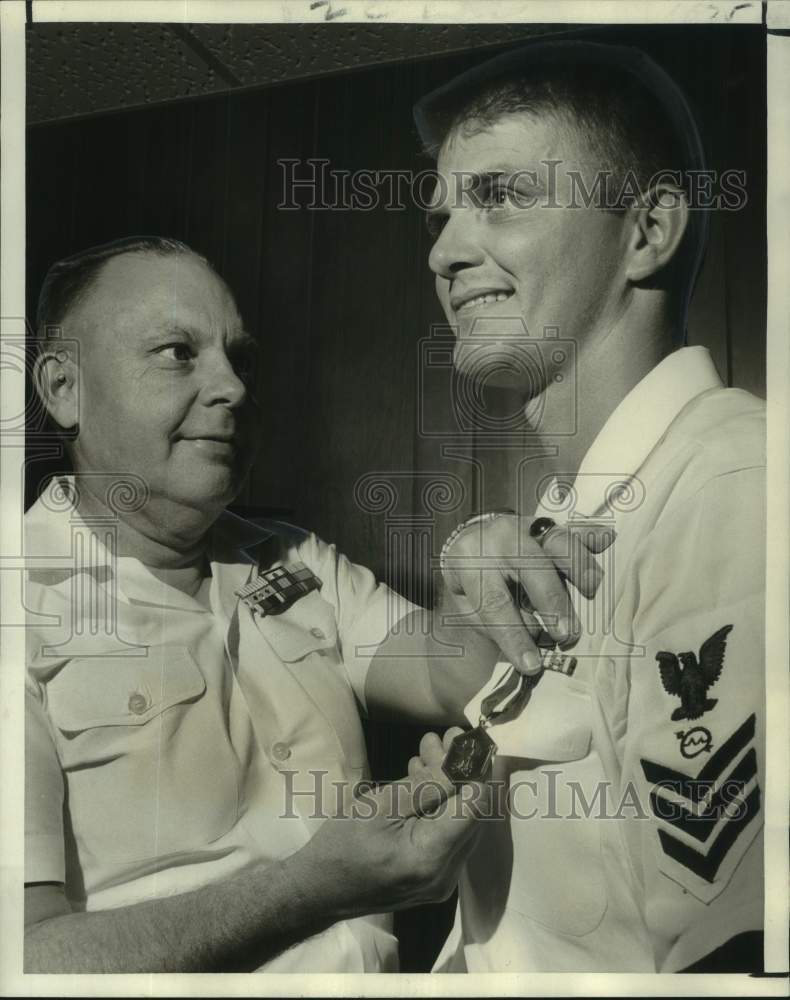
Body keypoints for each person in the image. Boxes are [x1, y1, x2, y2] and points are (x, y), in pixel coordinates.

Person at [23, 236, 501, 974]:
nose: (233, 388)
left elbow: (466, 673)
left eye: (239, 359)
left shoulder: (293, 557)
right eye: (179, 352)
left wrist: (481, 549)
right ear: (64, 389)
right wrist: (312, 890)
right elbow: (26, 963)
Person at [410, 39, 766, 973]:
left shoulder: (734, 488)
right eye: (444, 211)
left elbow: (736, 954)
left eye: (501, 197)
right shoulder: (575, 514)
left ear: (646, 231)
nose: (444, 251)